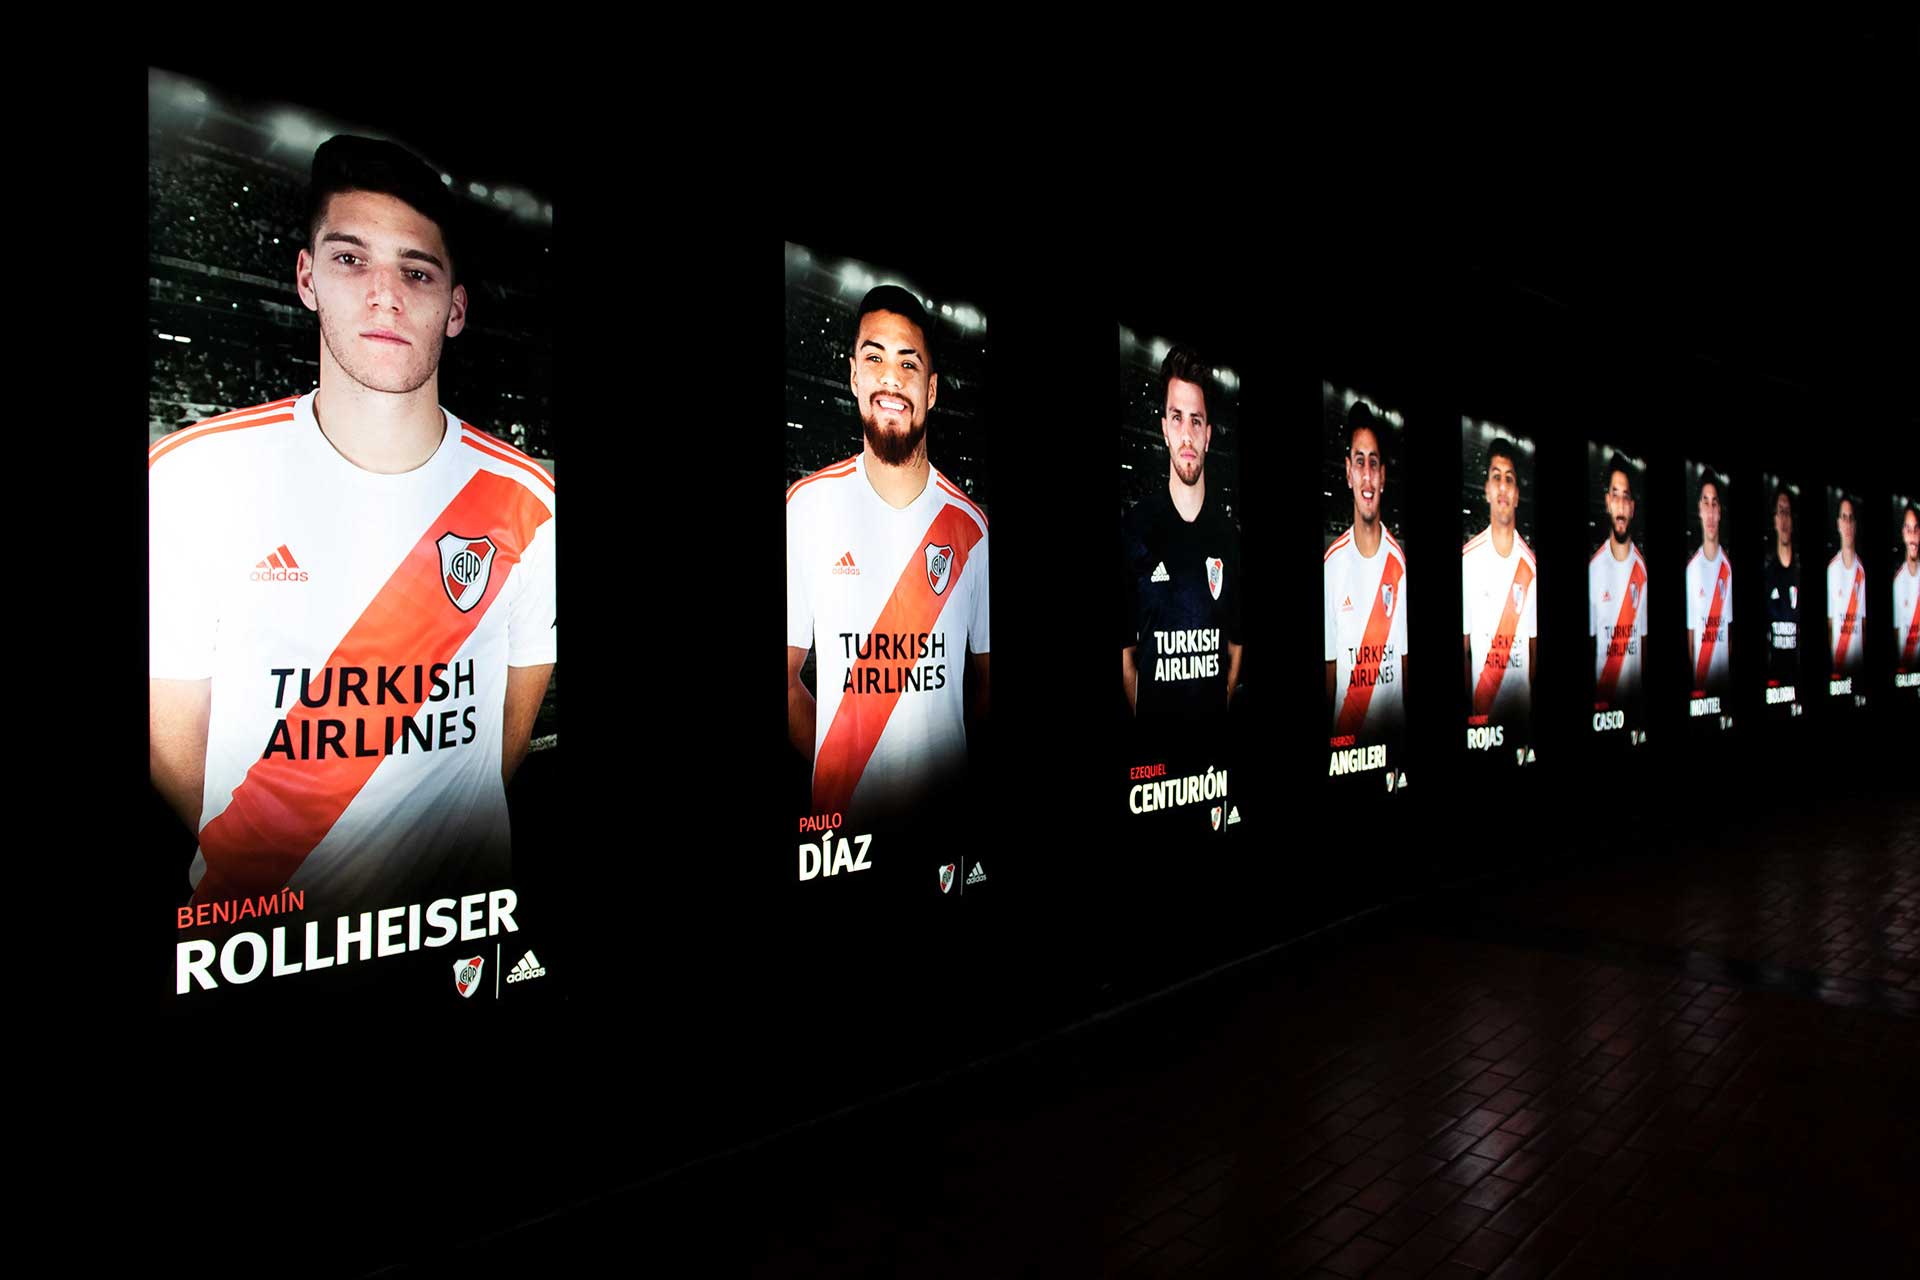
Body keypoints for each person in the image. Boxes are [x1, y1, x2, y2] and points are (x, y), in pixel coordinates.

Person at [149, 135, 557, 914]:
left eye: (416, 270)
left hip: (459, 925)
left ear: (455, 307)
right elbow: (177, 750)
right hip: (264, 929)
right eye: (349, 259)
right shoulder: (193, 477)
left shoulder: (527, 496)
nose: (385, 295)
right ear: (307, 278)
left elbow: (509, 720)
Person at [786, 284, 989, 824]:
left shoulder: (973, 529)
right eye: (874, 358)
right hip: (840, 832)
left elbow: (988, 683)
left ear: (932, 390)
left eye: (909, 363)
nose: (891, 378)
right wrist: (845, 766)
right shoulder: (804, 509)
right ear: (854, 375)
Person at [1122, 345, 1243, 739]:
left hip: (1213, 764)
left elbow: (1237, 648)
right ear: (1164, 429)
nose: (1187, 434)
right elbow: (1125, 656)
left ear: (1208, 436)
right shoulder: (1135, 528)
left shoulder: (1229, 538)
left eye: (1196, 421)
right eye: (1177, 418)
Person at [1323, 401, 1407, 742]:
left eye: (1374, 463)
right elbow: (1330, 676)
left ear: (1383, 476)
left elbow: (1404, 665)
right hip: (1347, 743)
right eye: (1360, 462)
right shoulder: (1330, 566)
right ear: (1348, 472)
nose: (1368, 475)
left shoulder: (1400, 565)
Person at [1461, 437, 1535, 729]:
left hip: (1522, 720)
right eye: (1496, 477)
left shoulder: (1531, 567)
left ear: (1517, 494)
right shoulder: (1467, 561)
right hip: (1482, 719)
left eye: (1509, 479)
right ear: (1487, 491)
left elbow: (1534, 653)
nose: (1502, 486)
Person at [1589, 453, 1647, 708]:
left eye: (1626, 497)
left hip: (1636, 704)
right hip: (1603, 703)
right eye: (1615, 495)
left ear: (1632, 507)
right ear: (1607, 503)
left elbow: (1644, 647)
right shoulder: (1593, 569)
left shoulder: (1644, 571)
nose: (1621, 505)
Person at [1684, 469, 1733, 695]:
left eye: (1715, 504)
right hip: (1701, 687)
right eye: (1706, 503)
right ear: (1699, 511)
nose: (1711, 512)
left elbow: (1730, 636)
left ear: (1720, 512)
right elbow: (1691, 640)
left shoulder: (1729, 569)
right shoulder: (1691, 571)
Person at [1762, 483, 1801, 687]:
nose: (1784, 518)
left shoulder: (1800, 573)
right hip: (1773, 680)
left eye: (1787, 512)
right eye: (1780, 512)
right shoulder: (1767, 575)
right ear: (1774, 520)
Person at [1827, 494, 1866, 676]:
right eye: (1844, 517)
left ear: (1855, 524)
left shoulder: (1863, 572)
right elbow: (1829, 626)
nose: (1848, 523)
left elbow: (1864, 627)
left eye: (1851, 518)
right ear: (1838, 524)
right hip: (1837, 670)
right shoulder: (1831, 570)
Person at [1892, 502, 1918, 671]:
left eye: (1916, 529)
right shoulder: (1897, 583)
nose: (1913, 536)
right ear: (1903, 534)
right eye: (1908, 529)